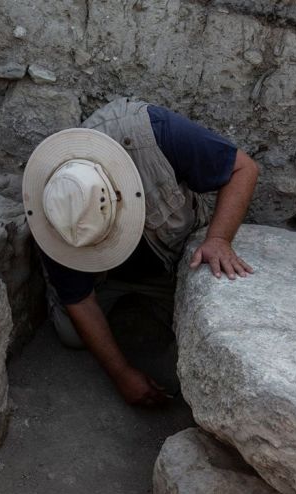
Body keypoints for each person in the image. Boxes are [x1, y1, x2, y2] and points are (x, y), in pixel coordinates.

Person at [22, 98, 259, 407]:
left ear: (120, 194)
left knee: (198, 328)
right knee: (71, 333)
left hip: (169, 254)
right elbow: (78, 299)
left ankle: (156, 299)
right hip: (105, 276)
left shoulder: (155, 135)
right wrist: (120, 373)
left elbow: (244, 168)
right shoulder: (55, 208)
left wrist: (218, 239)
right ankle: (107, 291)